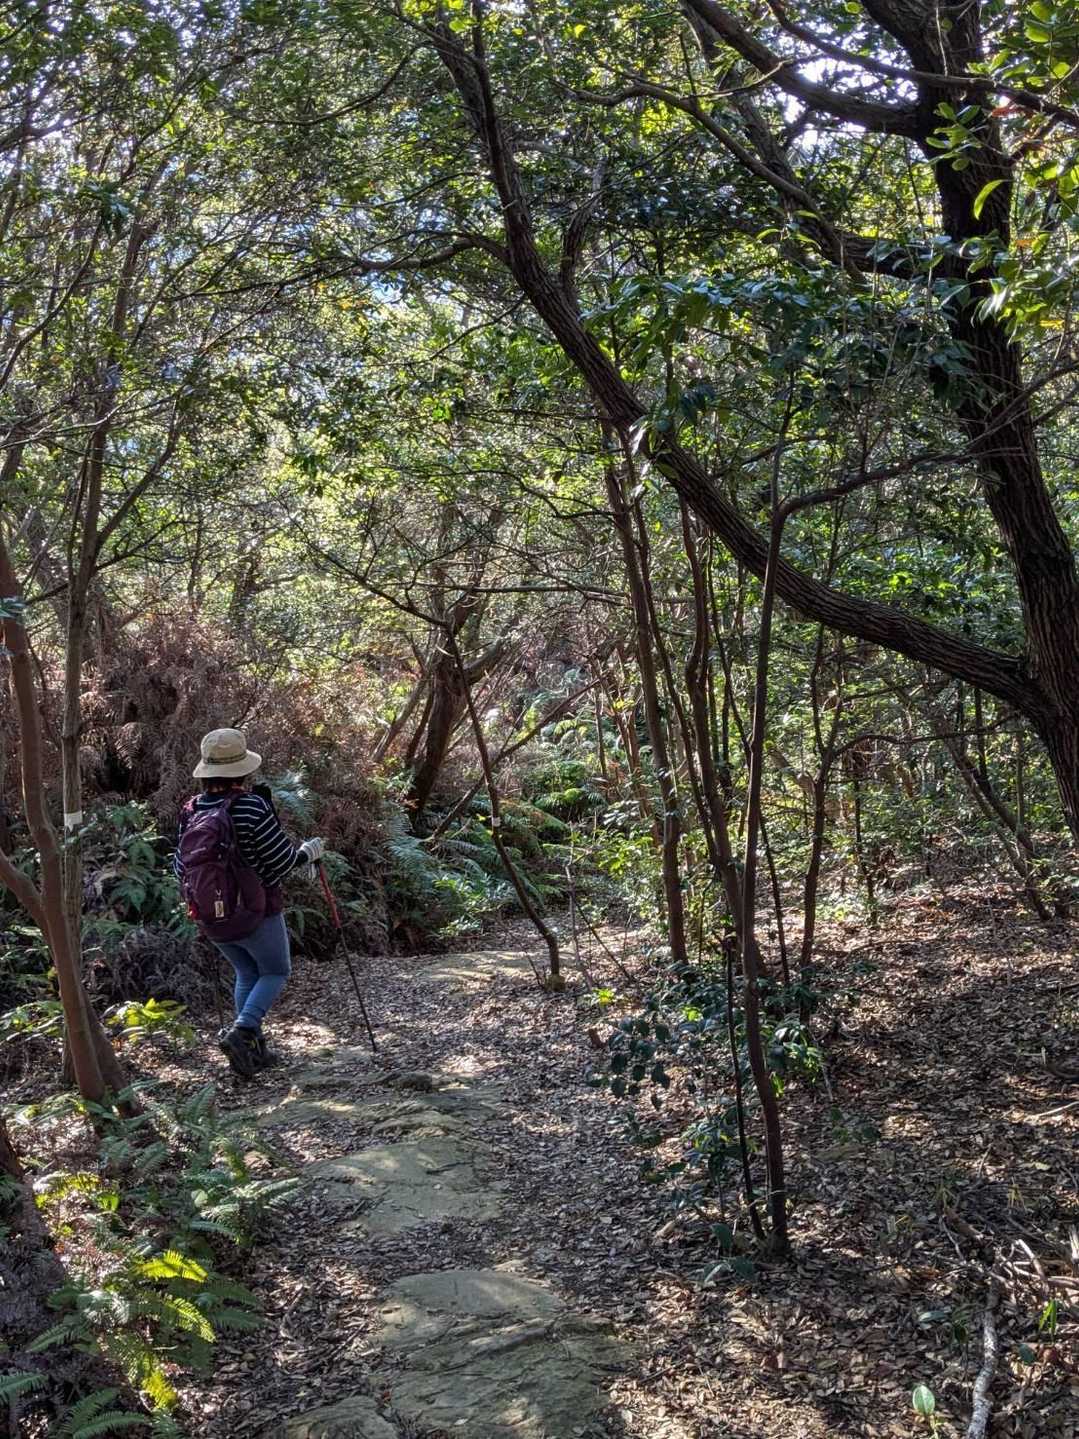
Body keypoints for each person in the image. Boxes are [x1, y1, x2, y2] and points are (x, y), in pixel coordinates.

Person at [175, 727, 323, 1078]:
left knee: (246, 972)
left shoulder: (191, 810)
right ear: (243, 770)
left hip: (209, 914)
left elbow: (179, 865)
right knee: (275, 971)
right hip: (257, 911)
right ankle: (242, 1033)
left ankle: (254, 1052)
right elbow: (282, 861)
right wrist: (308, 853)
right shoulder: (252, 806)